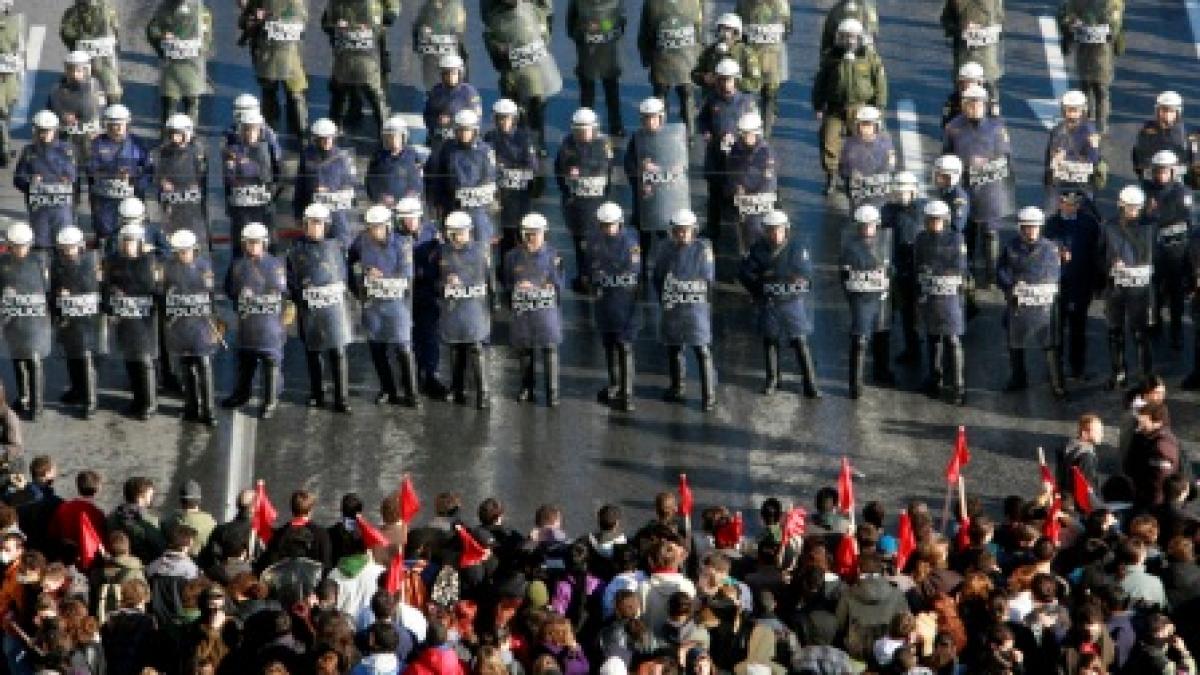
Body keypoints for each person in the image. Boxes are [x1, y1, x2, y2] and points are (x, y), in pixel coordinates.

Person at [739, 210, 820, 399]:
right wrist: (759, 288)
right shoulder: (756, 250)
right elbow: (745, 274)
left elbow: (805, 273)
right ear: (765, 231)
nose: (776, 234)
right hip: (770, 301)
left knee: (800, 340)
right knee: (770, 340)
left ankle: (810, 383)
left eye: (779, 230)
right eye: (771, 230)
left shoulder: (797, 248)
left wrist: (775, 276)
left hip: (793, 301)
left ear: (786, 230)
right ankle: (773, 379)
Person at [943, 84, 1014, 290]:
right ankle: (968, 273)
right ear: (963, 105)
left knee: (991, 232)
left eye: (978, 103)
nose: (974, 107)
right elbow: (946, 155)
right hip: (964, 187)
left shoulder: (997, 128)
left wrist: (986, 162)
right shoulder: (953, 127)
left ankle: (992, 275)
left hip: (990, 187)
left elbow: (1005, 156)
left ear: (985, 105)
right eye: (969, 103)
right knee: (966, 231)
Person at [351, 204, 421, 407]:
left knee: (403, 348)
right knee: (377, 347)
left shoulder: (402, 244)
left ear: (388, 225)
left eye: (379, 227)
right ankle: (387, 389)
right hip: (373, 304)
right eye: (371, 227)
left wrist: (382, 276)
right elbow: (348, 260)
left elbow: (407, 275)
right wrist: (359, 281)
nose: (375, 231)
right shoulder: (362, 241)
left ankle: (411, 392)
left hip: (398, 303)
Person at [288, 203, 354, 414]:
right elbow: (290, 279)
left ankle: (341, 398)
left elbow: (344, 273)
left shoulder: (336, 247)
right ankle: (317, 393)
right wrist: (297, 292)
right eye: (311, 224)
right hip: (310, 307)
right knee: (313, 352)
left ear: (326, 226)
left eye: (319, 224)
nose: (315, 228)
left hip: (334, 305)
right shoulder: (296, 250)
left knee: (338, 351)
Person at [812, 18, 887, 195]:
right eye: (844, 37)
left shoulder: (869, 57)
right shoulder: (831, 57)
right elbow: (820, 82)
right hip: (835, 107)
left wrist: (879, 106)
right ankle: (831, 176)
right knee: (829, 142)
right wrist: (818, 105)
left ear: (859, 38)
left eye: (852, 37)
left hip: (860, 108)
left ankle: (854, 177)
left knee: (859, 144)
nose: (849, 41)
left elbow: (880, 82)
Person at [997, 206, 1065, 398]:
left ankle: (1057, 383)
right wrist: (1011, 286)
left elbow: (1057, 274)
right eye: (1027, 227)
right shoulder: (1011, 247)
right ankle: (1018, 378)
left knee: (1050, 344)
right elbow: (1001, 271)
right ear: (1020, 228)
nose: (1030, 231)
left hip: (1043, 305)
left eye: (1034, 227)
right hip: (1019, 304)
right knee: (1015, 343)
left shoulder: (1050, 248)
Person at [653, 209, 717, 412]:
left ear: (693, 231)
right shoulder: (665, 249)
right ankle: (677, 387)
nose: (682, 234)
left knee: (701, 349)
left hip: (695, 307)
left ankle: (709, 395)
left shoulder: (703, 250)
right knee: (674, 347)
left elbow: (707, 279)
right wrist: (666, 298)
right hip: (674, 306)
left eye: (685, 231)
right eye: (678, 231)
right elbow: (658, 276)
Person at [220, 222, 286, 419]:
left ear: (264, 243)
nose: (253, 247)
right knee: (245, 360)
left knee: (270, 360)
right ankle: (242, 394)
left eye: (256, 243)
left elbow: (283, 290)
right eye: (249, 243)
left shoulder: (275, 265)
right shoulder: (237, 265)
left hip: (269, 323)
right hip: (247, 321)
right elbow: (229, 289)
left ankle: (270, 400)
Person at [482, 0, 563, 152]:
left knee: (536, 105)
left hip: (533, 65)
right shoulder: (495, 18)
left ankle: (538, 142)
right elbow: (490, 40)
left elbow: (546, 23)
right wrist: (499, 51)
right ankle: (516, 142)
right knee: (513, 106)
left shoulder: (535, 10)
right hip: (511, 68)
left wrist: (541, 40)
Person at [160, 228, 220, 426]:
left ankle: (209, 410)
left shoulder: (204, 267)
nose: (183, 255)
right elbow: (162, 293)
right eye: (179, 251)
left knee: (204, 364)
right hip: (180, 324)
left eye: (186, 251)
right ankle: (191, 407)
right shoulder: (168, 267)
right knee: (186, 367)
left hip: (201, 323)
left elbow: (209, 294)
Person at [503, 213, 564, 407]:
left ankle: (552, 392)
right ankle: (526, 387)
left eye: (535, 234)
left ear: (543, 234)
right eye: (527, 234)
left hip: (546, 310)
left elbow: (559, 283)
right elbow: (507, 282)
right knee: (525, 347)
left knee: (549, 347)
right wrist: (518, 289)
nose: (531, 238)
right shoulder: (512, 257)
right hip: (524, 310)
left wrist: (542, 287)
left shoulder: (554, 256)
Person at [104, 218, 161, 421]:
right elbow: (107, 284)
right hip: (124, 317)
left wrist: (124, 290)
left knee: (144, 360)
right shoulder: (114, 261)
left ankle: (150, 403)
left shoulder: (148, 261)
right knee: (130, 360)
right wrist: (111, 296)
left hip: (143, 318)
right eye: (126, 241)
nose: (128, 245)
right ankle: (137, 400)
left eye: (133, 241)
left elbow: (149, 287)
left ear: (140, 242)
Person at [1099, 185, 1155, 390]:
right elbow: (1100, 253)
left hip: (1140, 287)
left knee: (1141, 333)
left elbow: (1154, 254)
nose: (1133, 211)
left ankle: (1145, 375)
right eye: (1129, 207)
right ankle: (1118, 372)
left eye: (1136, 207)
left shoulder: (1150, 226)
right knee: (1114, 331)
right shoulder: (1109, 226)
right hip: (1116, 286)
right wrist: (1109, 265)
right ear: (1121, 206)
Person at [436, 211, 493, 410]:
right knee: (455, 347)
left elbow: (487, 278)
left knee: (476, 346)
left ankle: (483, 392)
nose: (459, 237)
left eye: (462, 233)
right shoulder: (441, 252)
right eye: (455, 233)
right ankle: (458, 387)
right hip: (453, 306)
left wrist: (492, 305)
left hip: (474, 304)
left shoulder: (479, 251)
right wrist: (444, 283)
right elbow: (434, 278)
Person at [587, 202, 641, 412]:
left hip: (625, 301)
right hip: (604, 302)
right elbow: (590, 267)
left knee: (624, 346)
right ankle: (614, 384)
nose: (608, 229)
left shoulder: (630, 243)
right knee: (609, 343)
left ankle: (627, 394)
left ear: (619, 223)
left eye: (611, 225)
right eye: (604, 225)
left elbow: (633, 270)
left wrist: (606, 274)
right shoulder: (595, 242)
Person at [914, 200, 968, 405]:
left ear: (945, 220)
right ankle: (934, 379)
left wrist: (938, 272)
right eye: (931, 220)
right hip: (929, 294)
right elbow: (917, 264)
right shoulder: (921, 239)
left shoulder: (956, 239)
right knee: (932, 337)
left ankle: (958, 386)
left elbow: (960, 266)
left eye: (938, 220)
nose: (934, 224)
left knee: (953, 339)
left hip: (950, 294)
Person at [1043, 190, 1102, 380]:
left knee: (1078, 328)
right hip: (1057, 283)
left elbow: (1097, 254)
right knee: (1056, 328)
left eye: (1075, 204)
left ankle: (1078, 367)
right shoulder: (1050, 224)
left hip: (1080, 282)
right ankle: (1056, 368)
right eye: (1066, 203)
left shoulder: (1089, 223)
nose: (1071, 207)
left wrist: (1097, 283)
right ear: (1059, 204)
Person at [698, 59, 758, 241]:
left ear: (736, 80)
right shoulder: (711, 100)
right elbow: (702, 120)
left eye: (729, 79)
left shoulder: (747, 102)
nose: (726, 84)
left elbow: (756, 128)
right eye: (722, 79)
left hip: (738, 159)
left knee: (738, 195)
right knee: (714, 195)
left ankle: (741, 233)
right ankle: (712, 229)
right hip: (716, 156)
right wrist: (706, 132)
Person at [555, 108, 613, 292]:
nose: (583, 133)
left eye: (586, 129)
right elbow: (559, 168)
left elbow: (606, 167)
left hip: (596, 201)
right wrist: (568, 190)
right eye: (579, 130)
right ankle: (584, 277)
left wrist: (582, 170)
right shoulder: (567, 144)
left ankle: (598, 277)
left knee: (598, 244)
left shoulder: (603, 144)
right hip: (577, 204)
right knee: (580, 244)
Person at [841, 204, 894, 399]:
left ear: (876, 226)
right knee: (860, 339)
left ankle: (881, 371)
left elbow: (890, 269)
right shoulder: (851, 247)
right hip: (862, 297)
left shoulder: (884, 244)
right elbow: (844, 275)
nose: (866, 230)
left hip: (881, 295)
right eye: (863, 226)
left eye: (870, 226)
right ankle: (855, 384)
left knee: (882, 333)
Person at [623, 97, 689, 253]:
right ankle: (642, 270)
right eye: (646, 118)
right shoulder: (637, 139)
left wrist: (672, 168)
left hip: (666, 196)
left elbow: (680, 162)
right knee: (641, 237)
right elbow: (628, 165)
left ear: (661, 118)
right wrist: (640, 169)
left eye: (653, 118)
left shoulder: (672, 137)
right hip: (645, 196)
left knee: (667, 236)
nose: (650, 122)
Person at [1142, 150, 1193, 349]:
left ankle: (1177, 330)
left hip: (1176, 250)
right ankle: (1156, 325)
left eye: (1165, 171)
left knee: (1176, 293)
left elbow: (1180, 217)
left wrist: (1154, 215)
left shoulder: (1182, 193)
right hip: (1153, 250)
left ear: (1173, 172)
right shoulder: (1146, 190)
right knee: (1153, 291)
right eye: (1158, 171)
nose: (1161, 175)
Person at [238, 0, 309, 141]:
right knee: (269, 94)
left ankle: (302, 134)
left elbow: (301, 20)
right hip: (268, 54)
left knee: (296, 95)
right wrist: (255, 19)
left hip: (290, 55)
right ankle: (269, 133)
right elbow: (243, 22)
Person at [87, 104, 152, 249]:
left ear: (127, 124)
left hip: (131, 199)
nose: (117, 128)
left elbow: (149, 170)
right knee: (105, 238)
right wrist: (113, 173)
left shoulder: (138, 144)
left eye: (120, 125)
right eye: (113, 125)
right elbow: (91, 169)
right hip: (105, 201)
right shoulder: (97, 144)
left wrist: (135, 183)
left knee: (133, 237)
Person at [1057, 0, 1124, 134]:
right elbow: (1065, 16)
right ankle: (1095, 124)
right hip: (1093, 51)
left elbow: (1064, 15)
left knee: (1097, 89)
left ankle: (1096, 123)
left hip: (1098, 51)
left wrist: (1069, 29)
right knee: (1093, 88)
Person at [322, 0, 388, 134]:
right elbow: (325, 22)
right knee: (338, 93)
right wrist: (335, 27)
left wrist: (361, 28)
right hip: (344, 58)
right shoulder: (336, 4)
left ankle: (386, 130)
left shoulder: (371, 4)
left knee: (374, 95)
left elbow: (379, 27)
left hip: (366, 58)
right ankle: (332, 130)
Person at [487, 98, 541, 261]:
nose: (503, 122)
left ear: (514, 119)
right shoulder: (490, 137)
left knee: (520, 235)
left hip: (519, 195)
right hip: (499, 195)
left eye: (507, 118)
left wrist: (507, 167)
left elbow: (532, 167)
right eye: (500, 118)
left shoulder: (524, 138)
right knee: (503, 237)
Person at [636, 0, 702, 134]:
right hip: (685, 60)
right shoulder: (694, 2)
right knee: (686, 98)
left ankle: (661, 134)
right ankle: (689, 135)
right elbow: (698, 30)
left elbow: (645, 33)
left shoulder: (652, 4)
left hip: (663, 60)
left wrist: (646, 57)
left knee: (664, 98)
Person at [13, 111, 76, 251]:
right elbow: (18, 179)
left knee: (64, 243)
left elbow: (73, 175)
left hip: (61, 208)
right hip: (39, 210)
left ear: (55, 130)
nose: (44, 134)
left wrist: (66, 179)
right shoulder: (28, 151)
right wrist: (31, 181)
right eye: (41, 131)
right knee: (41, 246)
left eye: (48, 131)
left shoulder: (66, 150)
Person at [293, 118, 357, 247]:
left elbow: (350, 186)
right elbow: (300, 186)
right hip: (314, 213)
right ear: (316, 139)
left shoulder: (342, 158)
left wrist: (330, 192)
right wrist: (298, 213)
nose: (328, 141)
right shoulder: (307, 156)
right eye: (323, 138)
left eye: (330, 137)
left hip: (336, 214)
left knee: (341, 246)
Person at [146, 0, 212, 125]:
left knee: (191, 102)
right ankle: (167, 136)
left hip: (192, 64)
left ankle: (190, 135)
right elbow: (152, 30)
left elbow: (206, 37)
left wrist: (198, 48)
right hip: (171, 65)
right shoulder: (165, 8)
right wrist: (162, 38)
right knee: (169, 102)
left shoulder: (201, 11)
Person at [567, 0, 625, 136]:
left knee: (605, 92)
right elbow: (621, 23)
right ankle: (613, 126)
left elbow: (571, 27)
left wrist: (593, 29)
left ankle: (604, 125)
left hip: (593, 52)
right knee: (598, 93)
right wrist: (603, 29)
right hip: (599, 52)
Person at [882, 171, 923, 364]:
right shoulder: (887, 210)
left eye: (905, 193)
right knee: (895, 312)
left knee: (913, 313)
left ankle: (915, 349)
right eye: (898, 193)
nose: (901, 196)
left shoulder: (922, 211)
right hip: (894, 265)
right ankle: (904, 349)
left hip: (915, 267)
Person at [222, 109, 277, 251]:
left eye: (255, 130)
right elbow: (229, 179)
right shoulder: (232, 150)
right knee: (241, 245)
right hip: (241, 207)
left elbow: (271, 175)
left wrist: (246, 165)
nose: (251, 134)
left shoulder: (267, 148)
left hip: (263, 205)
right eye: (247, 129)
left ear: (260, 130)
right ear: (241, 130)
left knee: (267, 244)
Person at [154, 113, 209, 250]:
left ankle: (195, 249)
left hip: (190, 197)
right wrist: (162, 180)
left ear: (187, 134)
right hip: (171, 196)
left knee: (192, 224)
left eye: (178, 134)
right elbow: (158, 171)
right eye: (172, 134)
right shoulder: (164, 152)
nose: (174, 138)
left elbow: (202, 173)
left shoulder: (197, 151)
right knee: (171, 225)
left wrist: (196, 183)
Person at [727, 111, 777, 255]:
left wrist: (752, 193)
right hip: (741, 200)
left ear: (757, 133)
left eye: (747, 134)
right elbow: (731, 169)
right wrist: (735, 185)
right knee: (741, 233)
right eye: (742, 134)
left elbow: (768, 181)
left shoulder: (766, 153)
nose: (744, 137)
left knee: (757, 231)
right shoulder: (737, 148)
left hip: (759, 201)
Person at [736, 0, 789, 137]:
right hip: (766, 56)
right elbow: (787, 29)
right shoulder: (781, 4)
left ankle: (762, 131)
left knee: (763, 94)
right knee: (766, 94)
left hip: (757, 56)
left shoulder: (745, 4)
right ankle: (760, 130)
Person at [1044, 90, 1104, 209]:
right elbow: (1049, 157)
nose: (1071, 113)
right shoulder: (1058, 130)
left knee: (1086, 213)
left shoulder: (1089, 130)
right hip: (1061, 182)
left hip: (1082, 184)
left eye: (1074, 109)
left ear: (1082, 110)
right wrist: (1053, 163)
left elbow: (1094, 159)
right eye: (1068, 109)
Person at [60, 0, 122, 104]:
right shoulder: (107, 8)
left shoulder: (73, 12)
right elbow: (115, 29)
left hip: (88, 58)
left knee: (75, 84)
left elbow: (66, 33)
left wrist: (75, 45)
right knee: (112, 88)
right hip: (102, 57)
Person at [1124, 402, 1183, 511]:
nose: (1139, 427)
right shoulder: (1146, 437)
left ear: (1158, 422)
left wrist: (1152, 510)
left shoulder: (1161, 447)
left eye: (1143, 423)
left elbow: (1159, 482)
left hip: (1153, 505)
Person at [941, 0, 1004, 100]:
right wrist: (961, 30)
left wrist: (987, 30)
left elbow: (1000, 21)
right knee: (962, 97)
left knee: (991, 97)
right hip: (966, 58)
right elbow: (946, 21)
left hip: (985, 59)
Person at [838, 105, 895, 211]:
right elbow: (843, 166)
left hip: (878, 188)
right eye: (860, 125)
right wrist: (850, 174)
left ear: (876, 126)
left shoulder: (885, 142)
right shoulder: (850, 144)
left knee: (879, 214)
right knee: (857, 217)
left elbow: (890, 165)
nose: (863, 128)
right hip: (858, 189)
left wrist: (878, 176)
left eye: (867, 125)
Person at [692, 14, 761, 97]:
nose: (724, 33)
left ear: (736, 32)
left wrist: (733, 82)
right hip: (713, 100)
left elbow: (756, 83)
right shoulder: (710, 51)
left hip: (739, 101)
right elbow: (695, 74)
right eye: (722, 29)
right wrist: (704, 78)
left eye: (728, 29)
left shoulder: (746, 52)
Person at [422, 54, 482, 150]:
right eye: (446, 73)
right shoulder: (436, 91)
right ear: (442, 74)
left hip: (460, 143)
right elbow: (427, 115)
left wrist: (452, 120)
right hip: (438, 141)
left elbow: (476, 119)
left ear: (460, 73)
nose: (450, 76)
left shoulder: (469, 92)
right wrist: (436, 122)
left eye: (453, 73)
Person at [365, 116, 424, 209]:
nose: (393, 140)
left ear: (403, 137)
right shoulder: (378, 157)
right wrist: (381, 196)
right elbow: (371, 181)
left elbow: (418, 181)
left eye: (396, 136)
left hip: (406, 206)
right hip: (384, 205)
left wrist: (409, 197)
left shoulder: (412, 155)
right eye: (390, 137)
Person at [1132, 92, 1190, 182]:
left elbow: (1188, 158)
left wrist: (1177, 171)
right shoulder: (1147, 131)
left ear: (1177, 112)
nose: (1167, 115)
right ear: (1157, 111)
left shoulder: (1181, 133)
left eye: (1171, 111)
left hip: (1175, 178)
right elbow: (1138, 154)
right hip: (1151, 177)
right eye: (1164, 110)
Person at [412, 0, 468, 92]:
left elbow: (458, 36)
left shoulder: (456, 8)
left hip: (449, 58)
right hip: (430, 60)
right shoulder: (427, 7)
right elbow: (417, 26)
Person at [1056, 413, 1104, 512]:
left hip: (1066, 501)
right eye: (1097, 431)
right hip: (1081, 508)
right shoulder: (1086, 456)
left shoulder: (1069, 448)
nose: (1101, 435)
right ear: (1084, 433)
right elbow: (1086, 487)